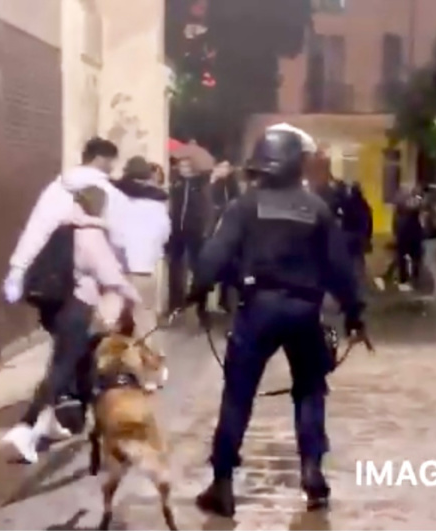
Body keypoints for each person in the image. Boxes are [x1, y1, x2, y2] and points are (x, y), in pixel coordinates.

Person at [183, 127, 367, 517]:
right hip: (304, 312)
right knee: (309, 390)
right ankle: (312, 469)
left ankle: (222, 483)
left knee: (237, 396)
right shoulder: (316, 209)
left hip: (258, 310)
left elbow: (215, 255)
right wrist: (355, 314)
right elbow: (340, 268)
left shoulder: (245, 207)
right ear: (297, 164)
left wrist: (197, 291)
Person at [1, 137, 133, 439]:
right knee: (71, 355)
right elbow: (119, 249)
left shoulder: (56, 188)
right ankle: (36, 422)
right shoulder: (109, 195)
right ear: (106, 160)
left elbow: (36, 229)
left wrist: (17, 270)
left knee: (76, 351)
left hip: (49, 289)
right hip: (83, 293)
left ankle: (62, 414)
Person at [112, 156, 171, 337]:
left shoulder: (115, 197)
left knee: (113, 322)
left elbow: (111, 232)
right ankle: (150, 363)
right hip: (144, 270)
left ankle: (113, 362)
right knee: (145, 321)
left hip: (115, 270)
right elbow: (164, 234)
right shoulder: (157, 205)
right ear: (147, 177)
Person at [167, 157, 211, 312]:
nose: (183, 168)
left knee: (196, 266)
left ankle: (199, 301)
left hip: (195, 230)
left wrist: (204, 227)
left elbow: (207, 207)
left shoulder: (200, 185)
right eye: (181, 166)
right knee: (175, 265)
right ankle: (175, 301)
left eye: (186, 165)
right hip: (177, 230)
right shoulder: (176, 183)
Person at [208, 161, 240, 312]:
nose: (223, 169)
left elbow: (237, 200)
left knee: (228, 264)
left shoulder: (233, 184)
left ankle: (225, 299)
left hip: (228, 226)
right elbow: (207, 201)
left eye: (226, 166)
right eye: (221, 166)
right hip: (213, 226)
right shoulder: (213, 183)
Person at [392, 186, 425, 292]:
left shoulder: (400, 209)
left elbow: (395, 222)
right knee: (414, 257)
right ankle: (412, 278)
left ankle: (404, 279)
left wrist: (396, 232)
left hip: (403, 233)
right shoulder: (414, 205)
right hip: (412, 234)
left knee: (402, 257)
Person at [341, 182, 373, 285]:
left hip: (349, 233)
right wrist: (368, 234)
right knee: (359, 256)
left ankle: (351, 278)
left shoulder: (347, 202)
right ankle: (360, 278)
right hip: (359, 234)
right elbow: (368, 219)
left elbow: (343, 218)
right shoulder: (363, 203)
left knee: (350, 256)